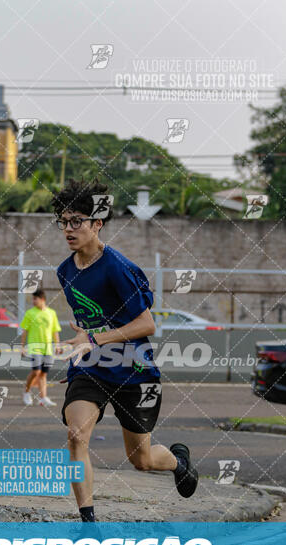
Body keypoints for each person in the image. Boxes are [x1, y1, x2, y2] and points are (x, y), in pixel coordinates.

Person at [53, 178, 199, 523]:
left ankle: (178, 460)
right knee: (76, 436)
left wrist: (95, 339)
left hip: (134, 372)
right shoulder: (65, 271)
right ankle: (88, 522)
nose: (69, 229)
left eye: (77, 221)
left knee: (142, 459)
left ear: (97, 223)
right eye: (63, 221)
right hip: (91, 369)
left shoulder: (117, 268)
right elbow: (89, 323)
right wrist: (82, 348)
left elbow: (146, 324)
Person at [20, 290, 62, 407]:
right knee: (36, 371)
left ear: (42, 299)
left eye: (35, 299)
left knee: (43, 374)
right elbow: (25, 331)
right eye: (33, 299)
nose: (33, 301)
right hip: (35, 348)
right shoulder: (30, 313)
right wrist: (22, 347)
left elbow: (55, 331)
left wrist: (57, 345)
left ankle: (43, 398)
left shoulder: (51, 313)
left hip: (48, 348)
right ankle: (26, 392)